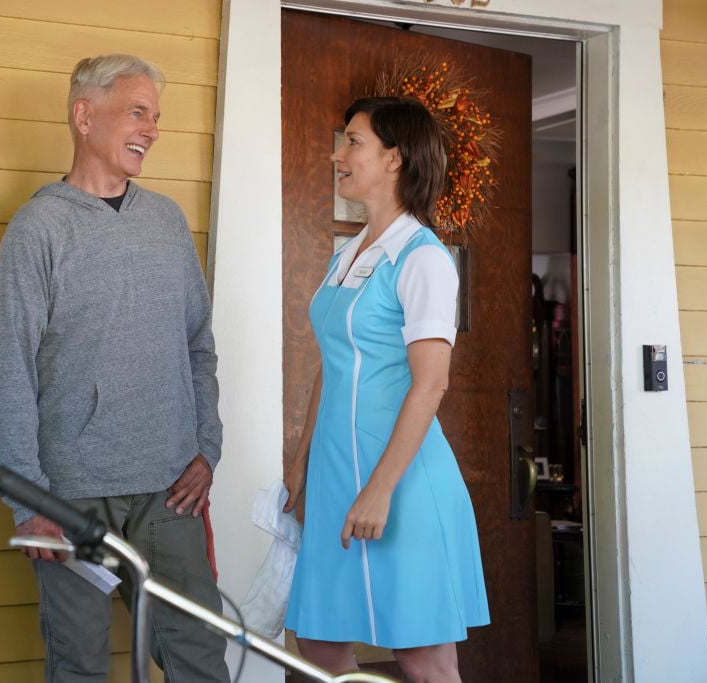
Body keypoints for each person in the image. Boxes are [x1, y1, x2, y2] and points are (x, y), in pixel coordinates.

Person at [0, 54, 229, 683]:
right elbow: (10, 368)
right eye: (137, 112)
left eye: (156, 118)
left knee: (199, 657)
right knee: (81, 665)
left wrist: (207, 447)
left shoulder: (168, 223)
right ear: (84, 116)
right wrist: (27, 502)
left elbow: (198, 343)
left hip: (171, 490)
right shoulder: (38, 229)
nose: (151, 128)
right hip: (72, 498)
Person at [282, 97, 490, 683]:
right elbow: (332, 364)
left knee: (423, 658)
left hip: (398, 484)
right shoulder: (349, 254)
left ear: (395, 159)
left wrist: (379, 488)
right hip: (334, 475)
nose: (336, 154)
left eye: (352, 141)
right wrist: (300, 462)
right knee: (320, 645)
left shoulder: (423, 259)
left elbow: (431, 384)